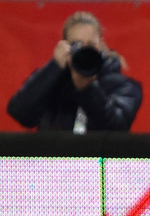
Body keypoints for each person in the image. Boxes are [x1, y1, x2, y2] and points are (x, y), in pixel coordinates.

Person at [6, 11, 142, 133]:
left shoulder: (125, 86)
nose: (84, 51)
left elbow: (116, 128)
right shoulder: (52, 82)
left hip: (100, 161)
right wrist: (54, 66)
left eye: (90, 45)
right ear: (65, 47)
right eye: (77, 45)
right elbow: (20, 112)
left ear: (101, 45)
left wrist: (88, 89)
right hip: (55, 160)